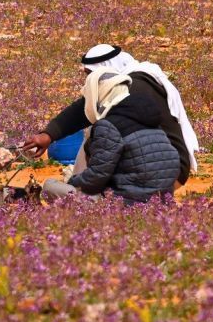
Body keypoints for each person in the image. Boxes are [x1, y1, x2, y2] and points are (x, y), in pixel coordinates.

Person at [22, 44, 199, 189]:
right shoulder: (133, 86)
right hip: (171, 172)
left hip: (149, 179)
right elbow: (83, 108)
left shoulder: (126, 93)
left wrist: (75, 184)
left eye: (91, 75)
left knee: (96, 134)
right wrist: (49, 134)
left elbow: (100, 170)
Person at [42, 69, 179, 203]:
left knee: (50, 187)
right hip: (162, 202)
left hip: (125, 204)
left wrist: (72, 181)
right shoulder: (149, 119)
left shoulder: (108, 126)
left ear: (99, 93)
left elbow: (95, 178)